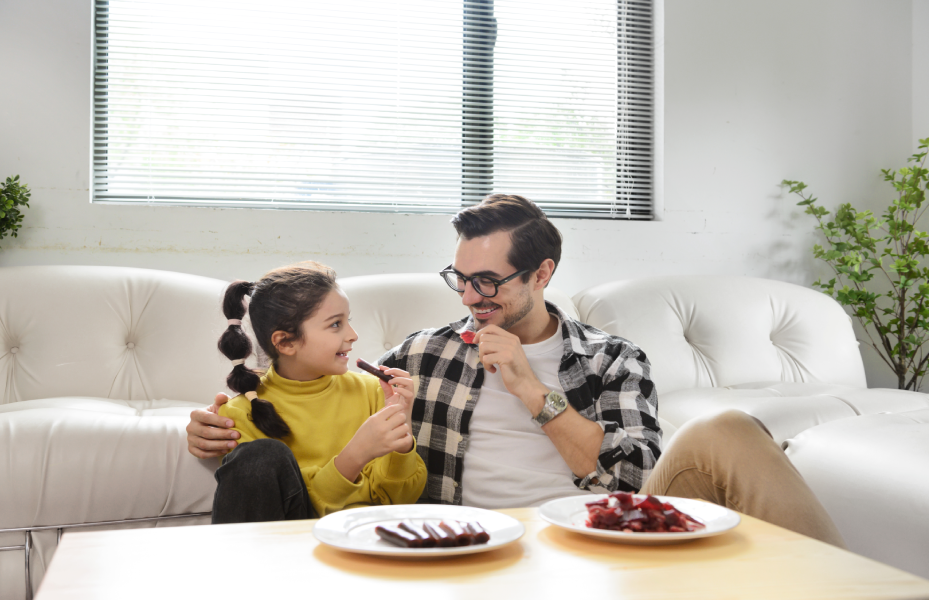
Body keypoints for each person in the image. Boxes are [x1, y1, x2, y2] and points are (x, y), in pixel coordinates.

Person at [190, 196, 845, 547]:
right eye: (460, 279)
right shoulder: (427, 354)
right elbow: (314, 386)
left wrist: (536, 393)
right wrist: (210, 428)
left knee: (729, 428)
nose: (470, 297)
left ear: (541, 275)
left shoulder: (613, 359)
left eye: (486, 281)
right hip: (477, 542)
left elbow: (638, 480)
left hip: (596, 534)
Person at [210, 261, 426, 523]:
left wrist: (401, 442)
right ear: (286, 342)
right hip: (281, 547)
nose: (353, 335)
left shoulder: (373, 393)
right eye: (336, 324)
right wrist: (356, 454)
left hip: (363, 538)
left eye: (348, 321)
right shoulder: (241, 413)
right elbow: (286, 508)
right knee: (260, 456)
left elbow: (398, 501)